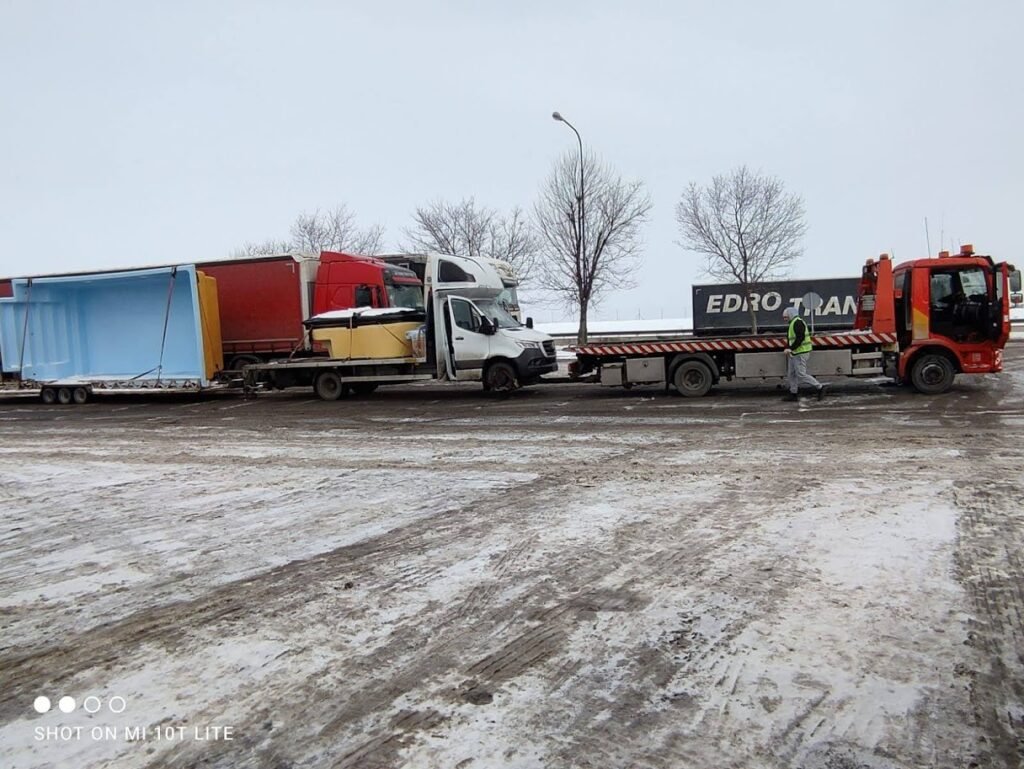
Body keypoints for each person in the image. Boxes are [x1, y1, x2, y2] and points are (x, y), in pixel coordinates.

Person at [782, 306, 826, 401]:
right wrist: (789, 348)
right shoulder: (794, 322)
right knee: (791, 374)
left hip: (800, 352)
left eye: (786, 317)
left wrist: (790, 348)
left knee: (801, 374)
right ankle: (793, 393)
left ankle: (820, 387)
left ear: (790, 315)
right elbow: (792, 338)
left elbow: (800, 338)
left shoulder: (797, 322)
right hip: (795, 352)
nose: (785, 319)